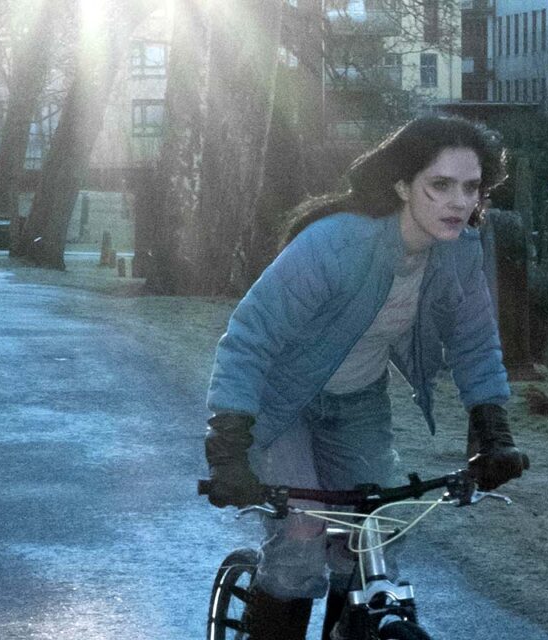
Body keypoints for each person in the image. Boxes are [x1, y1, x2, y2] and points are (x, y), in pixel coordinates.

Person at [203, 116, 527, 639]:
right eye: (440, 185)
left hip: (358, 402)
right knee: (303, 536)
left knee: (378, 532)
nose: (459, 202)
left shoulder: (459, 251)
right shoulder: (336, 243)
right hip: (282, 405)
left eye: (471, 187)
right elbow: (249, 336)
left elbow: (474, 342)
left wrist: (493, 430)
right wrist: (228, 442)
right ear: (402, 185)